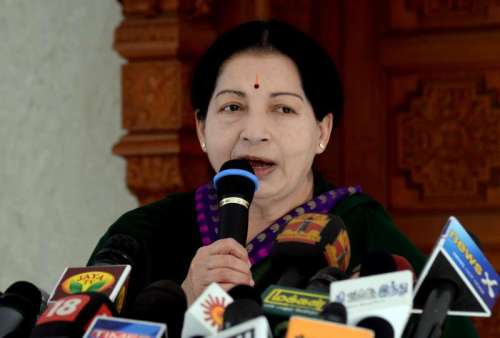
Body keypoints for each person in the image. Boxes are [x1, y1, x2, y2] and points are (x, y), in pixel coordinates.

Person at [89, 20, 478, 337]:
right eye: (233, 106)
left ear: (322, 131)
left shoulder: (365, 234)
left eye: (283, 109)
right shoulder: (142, 234)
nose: (254, 131)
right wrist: (184, 303)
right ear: (202, 127)